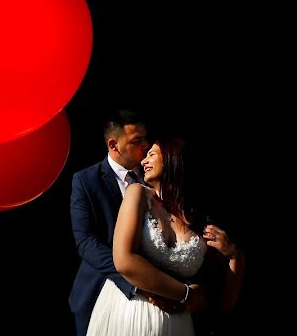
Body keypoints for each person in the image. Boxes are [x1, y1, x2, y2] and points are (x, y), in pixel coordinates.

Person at [86, 136, 245, 336]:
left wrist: (235, 256)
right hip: (129, 312)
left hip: (175, 326)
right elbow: (124, 260)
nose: (143, 161)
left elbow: (223, 305)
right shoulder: (138, 194)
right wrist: (186, 294)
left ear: (173, 158)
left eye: (151, 154)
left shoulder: (201, 222)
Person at [69, 109, 151, 336]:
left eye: (146, 137)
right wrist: (137, 278)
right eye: (137, 140)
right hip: (99, 289)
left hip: (158, 297)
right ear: (114, 145)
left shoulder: (155, 174)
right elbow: (86, 242)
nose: (146, 145)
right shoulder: (85, 181)